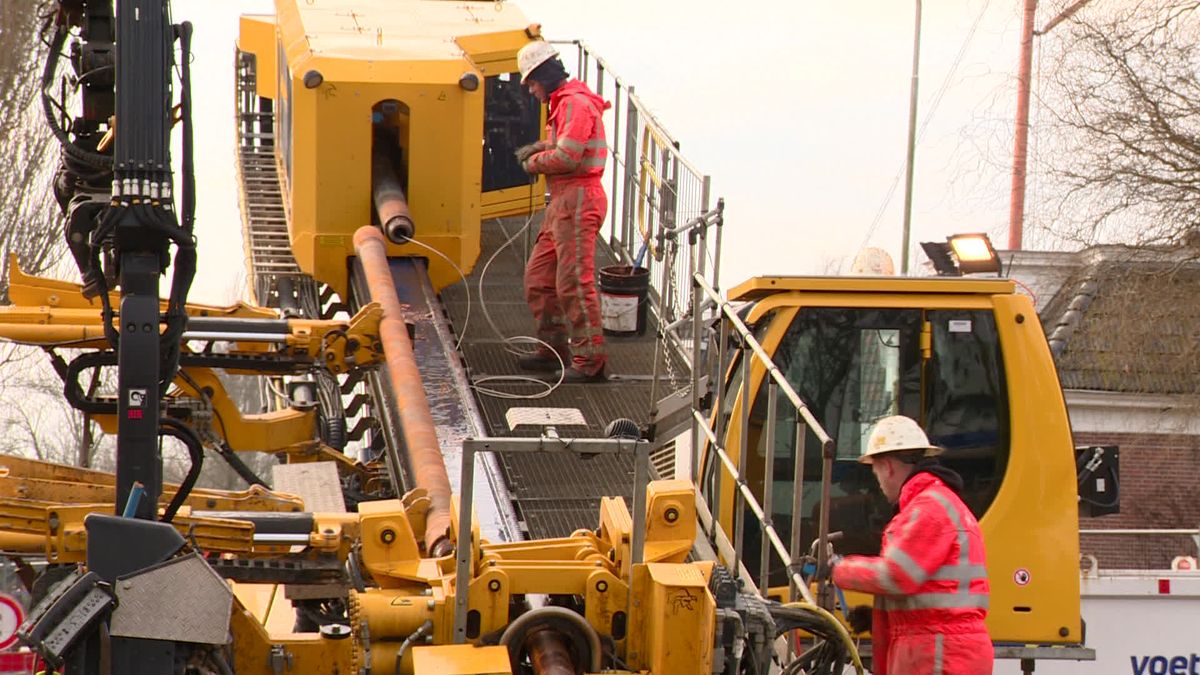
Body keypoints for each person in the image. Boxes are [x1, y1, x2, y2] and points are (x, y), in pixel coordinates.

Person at [830, 415, 993, 675]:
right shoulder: (942, 503)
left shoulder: (927, 508)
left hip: (936, 652)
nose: (879, 483)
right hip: (944, 648)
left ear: (887, 466)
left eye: (876, 473)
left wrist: (837, 569)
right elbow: (935, 594)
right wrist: (879, 618)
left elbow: (896, 575)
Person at [512, 40, 610, 383]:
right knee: (539, 279)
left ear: (545, 75)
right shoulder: (563, 104)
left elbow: (568, 157)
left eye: (532, 82)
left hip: (579, 199)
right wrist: (538, 148)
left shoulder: (574, 104)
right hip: (565, 201)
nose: (531, 90)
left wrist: (532, 161)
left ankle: (589, 361)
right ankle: (553, 350)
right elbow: (562, 145)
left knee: (573, 283)